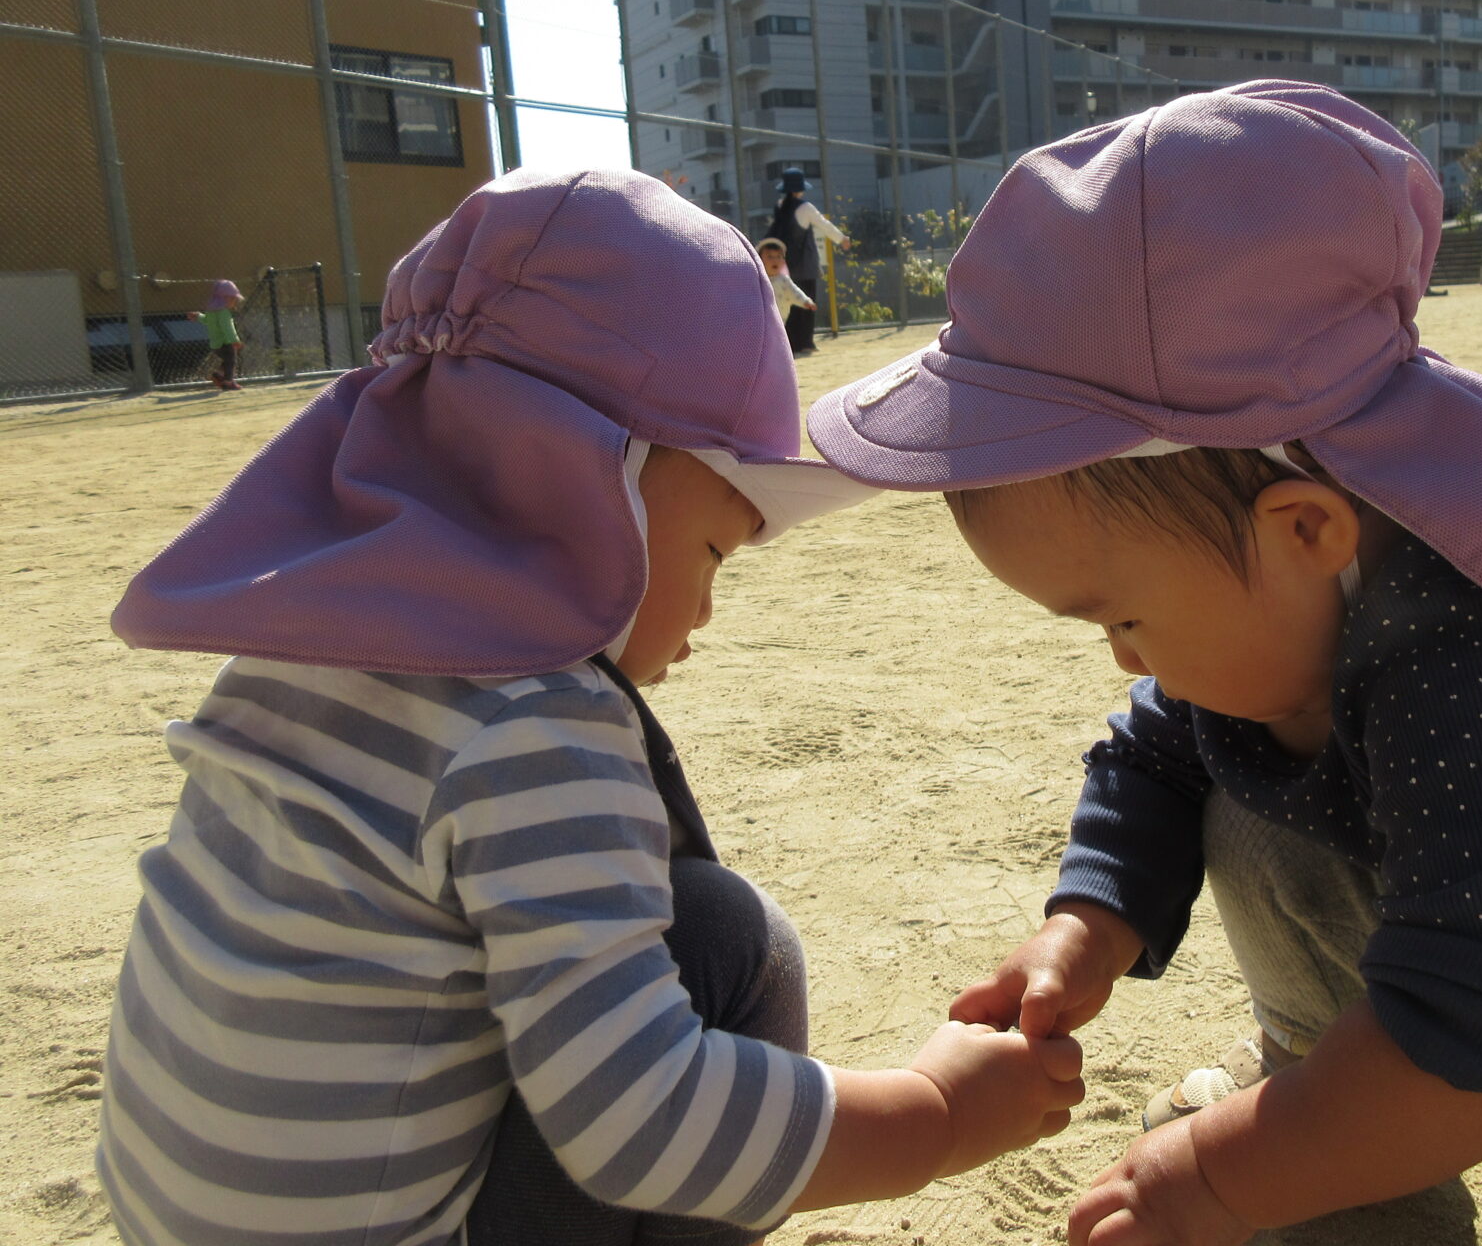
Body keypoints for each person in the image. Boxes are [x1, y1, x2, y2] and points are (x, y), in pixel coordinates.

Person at [808, 82, 1482, 1246]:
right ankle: (1360, 1169)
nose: (1124, 657)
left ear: (1304, 528)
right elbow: (1157, 754)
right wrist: (1085, 927)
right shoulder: (1312, 583)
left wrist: (1218, 1179)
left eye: (1122, 617)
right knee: (1247, 794)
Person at [98, 169, 1083, 1246]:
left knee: (675, 928)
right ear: (593, 483)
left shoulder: (298, 649)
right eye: (714, 550)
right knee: (729, 942)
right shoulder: (537, 722)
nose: (704, 610)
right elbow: (639, 1121)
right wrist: (937, 1117)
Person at [766, 167, 847, 355]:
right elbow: (824, 225)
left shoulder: (779, 206)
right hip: (804, 263)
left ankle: (790, 344)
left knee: (787, 302)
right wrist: (842, 239)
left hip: (784, 265)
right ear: (800, 189)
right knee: (807, 301)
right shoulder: (805, 207)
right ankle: (806, 343)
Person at [757, 236, 817, 349]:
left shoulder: (784, 280)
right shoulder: (758, 280)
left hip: (781, 318)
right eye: (770, 257)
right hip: (762, 319)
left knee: (778, 340)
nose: (775, 260)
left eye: (779, 257)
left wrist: (806, 301)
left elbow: (794, 291)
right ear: (759, 260)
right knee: (765, 340)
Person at [184, 277, 244, 390]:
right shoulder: (224, 312)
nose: (234, 302)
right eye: (233, 299)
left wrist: (198, 316)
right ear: (225, 298)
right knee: (231, 361)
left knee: (227, 360)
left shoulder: (211, 311)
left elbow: (207, 320)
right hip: (225, 342)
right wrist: (235, 340)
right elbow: (227, 327)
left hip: (215, 344)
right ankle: (228, 381)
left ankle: (219, 375)